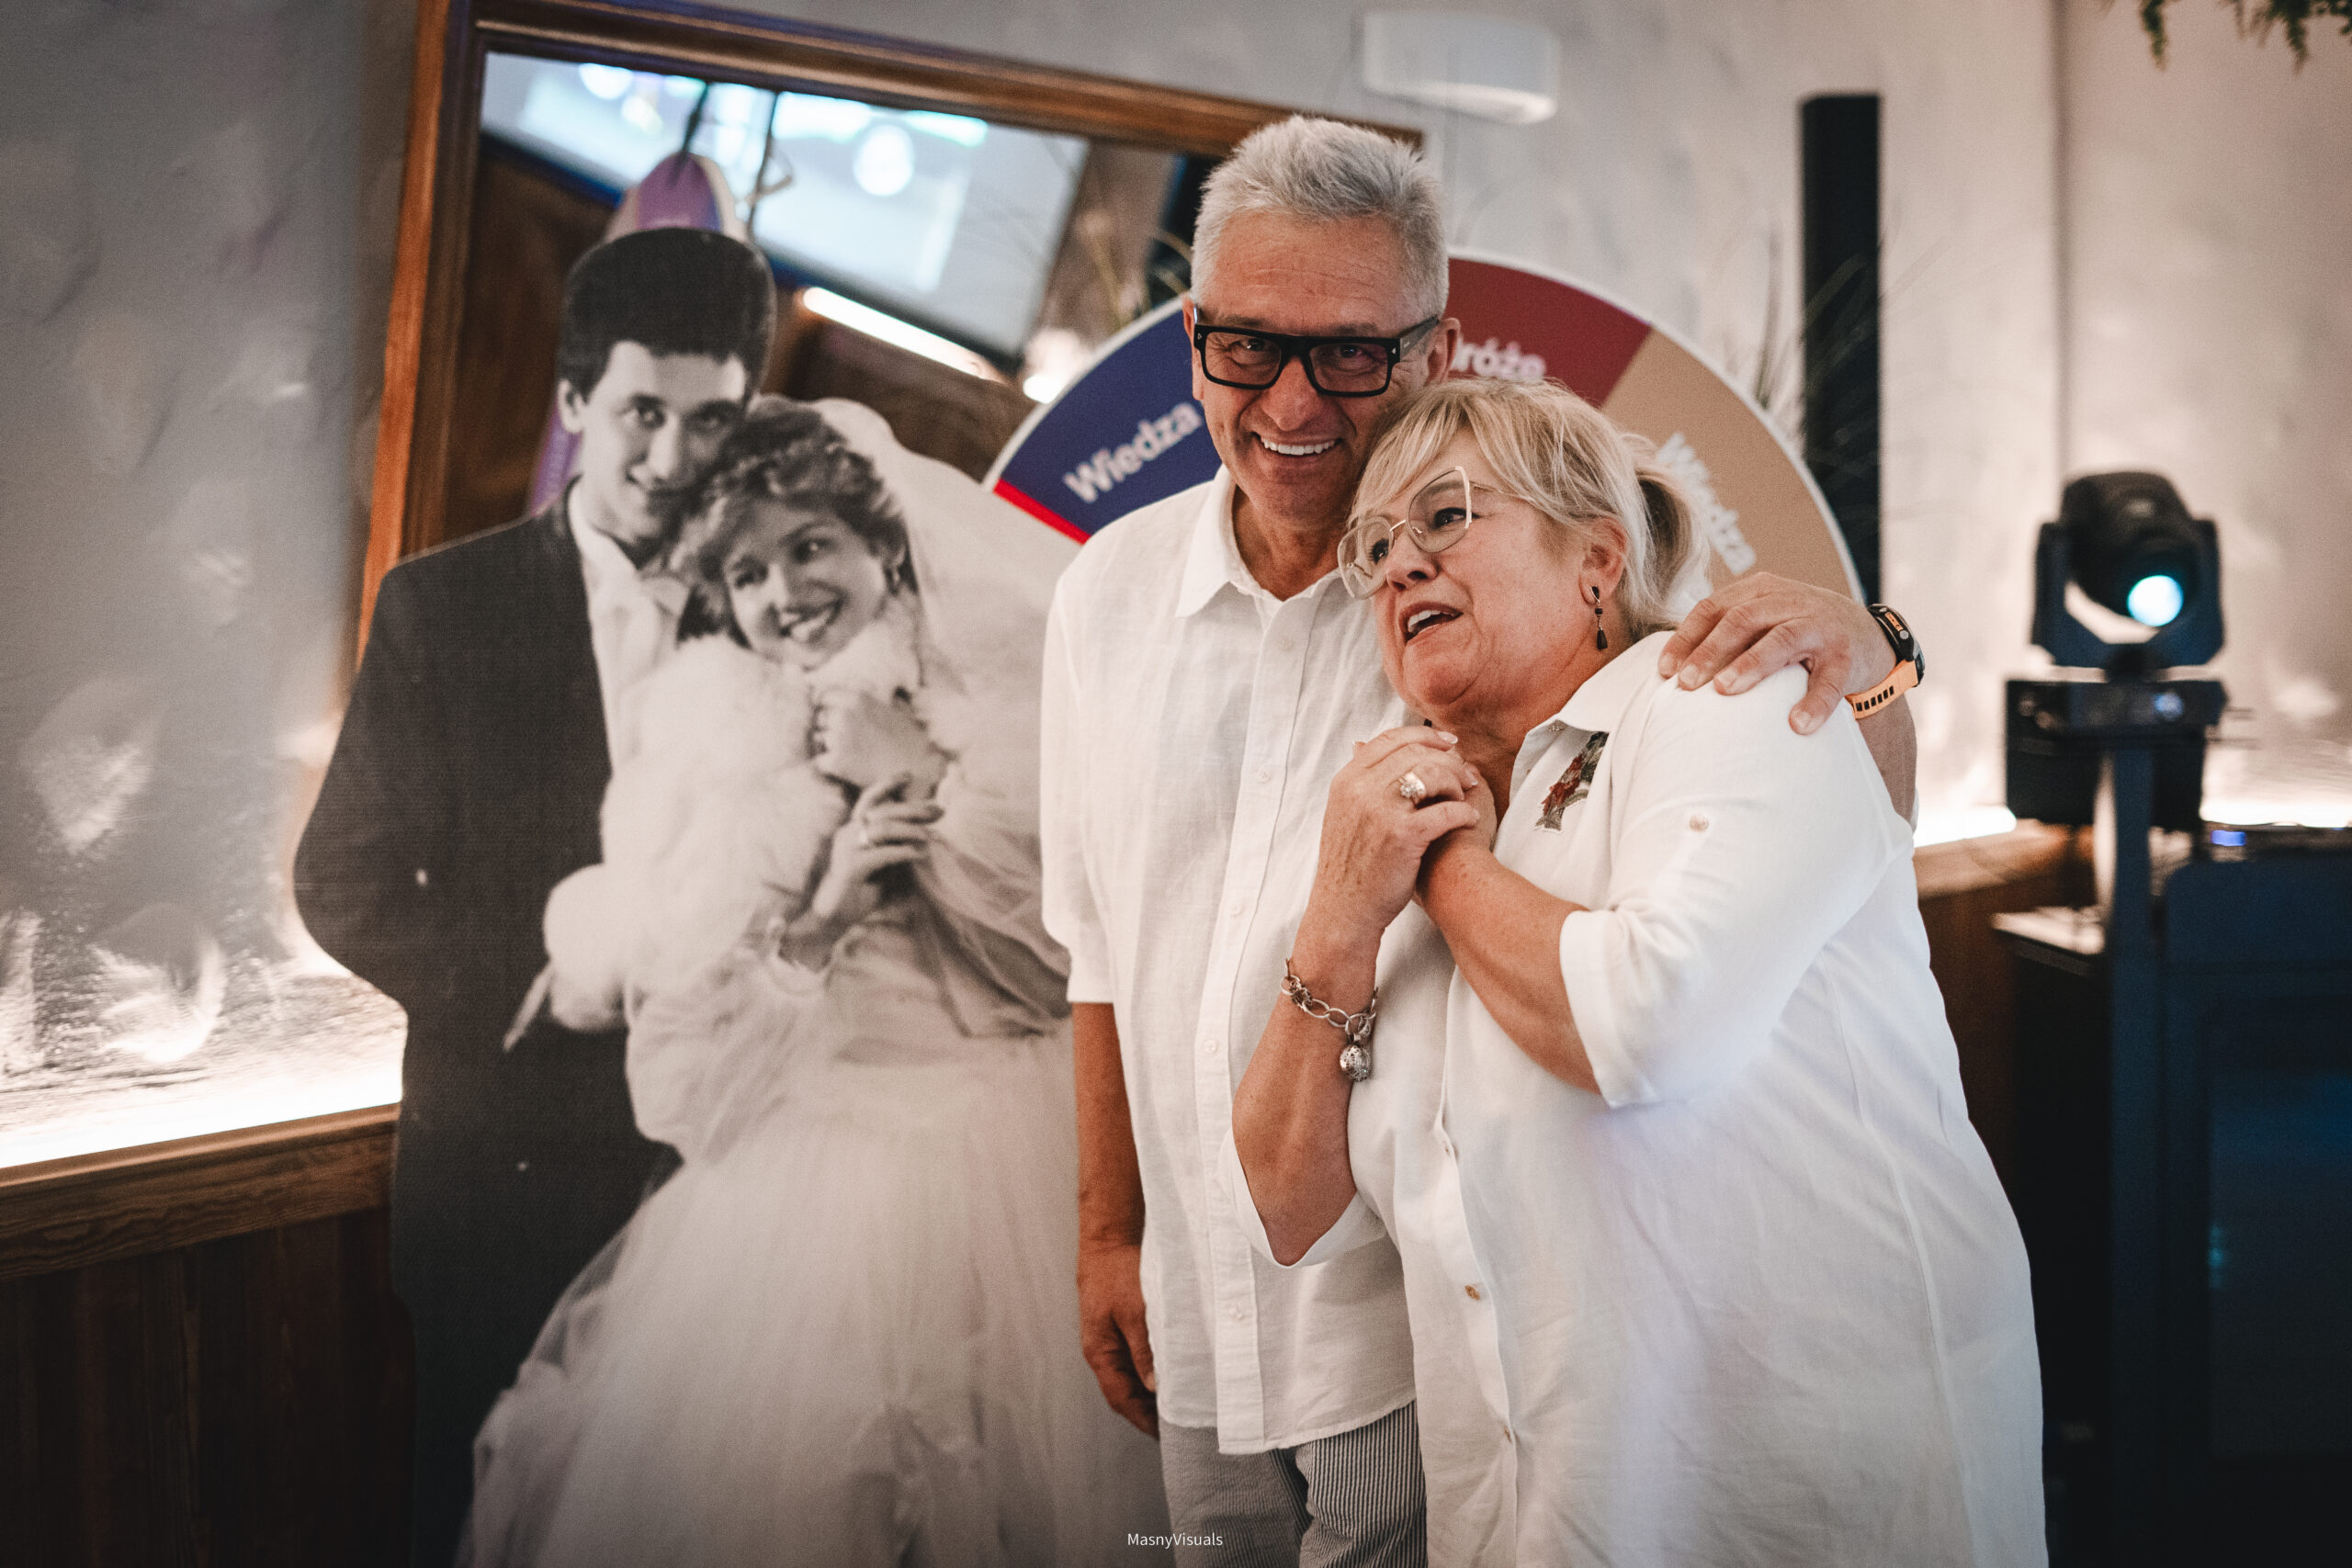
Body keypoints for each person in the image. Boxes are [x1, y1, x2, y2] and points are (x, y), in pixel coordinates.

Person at [1040, 116, 1924, 1565]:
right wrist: (1106, 1230)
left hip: (1416, 1328)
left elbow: (1829, 799)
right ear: (1193, 340)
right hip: (1207, 1292)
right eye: (1248, 345)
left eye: (1351, 352)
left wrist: (1874, 657)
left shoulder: (1508, 578)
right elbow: (1097, 944)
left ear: (1434, 350)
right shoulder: (1103, 594)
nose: (1293, 398)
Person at [1230, 378, 2042, 1566]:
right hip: (1540, 1514)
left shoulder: (1728, 700)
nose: (1399, 564)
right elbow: (1284, 1207)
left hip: (1807, 1495)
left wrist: (1445, 863)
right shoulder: (1392, 823)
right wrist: (1341, 916)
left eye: (1445, 515)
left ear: (1598, 560)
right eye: (1376, 547)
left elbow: (1650, 1021)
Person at [459, 400, 1164, 1567]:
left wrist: (922, 778)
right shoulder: (710, 765)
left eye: (809, 546)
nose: (784, 591)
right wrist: (824, 914)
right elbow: (680, 1091)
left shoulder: (1005, 707)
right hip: (803, 1195)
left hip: (1013, 1165)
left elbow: (1067, 977)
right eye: (745, 573)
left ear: (881, 542)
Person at [293, 227, 776, 1566]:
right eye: (641, 413)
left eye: (711, 420)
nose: (673, 458)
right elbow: (339, 881)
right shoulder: (442, 608)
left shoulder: (778, 612)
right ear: (574, 401)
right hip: (501, 1180)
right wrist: (544, 981)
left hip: (713, 1195)